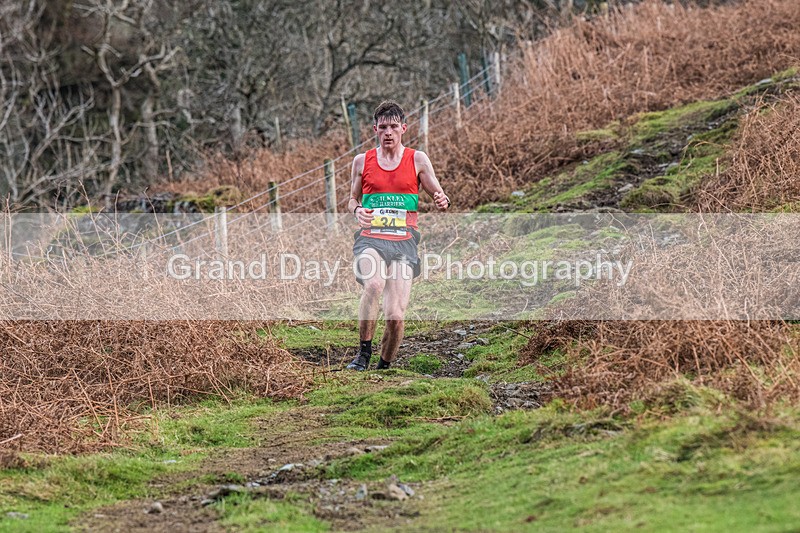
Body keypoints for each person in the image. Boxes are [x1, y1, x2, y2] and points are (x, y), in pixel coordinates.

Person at [345, 100, 450, 371]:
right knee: (374, 285)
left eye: (393, 126)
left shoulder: (417, 159)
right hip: (371, 238)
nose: (388, 132)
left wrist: (441, 199)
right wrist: (357, 211)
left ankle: (383, 368)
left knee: (395, 315)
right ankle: (363, 354)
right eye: (383, 127)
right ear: (375, 130)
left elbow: (437, 192)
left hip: (404, 242)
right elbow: (351, 200)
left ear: (404, 128)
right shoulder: (362, 161)